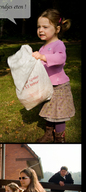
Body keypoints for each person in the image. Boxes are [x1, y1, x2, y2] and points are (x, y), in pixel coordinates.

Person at [33, 9, 74, 143]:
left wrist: (43, 57)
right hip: (47, 86)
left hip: (59, 87)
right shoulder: (43, 47)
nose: (41, 30)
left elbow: (60, 58)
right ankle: (49, 134)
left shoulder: (58, 44)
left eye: (45, 27)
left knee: (59, 115)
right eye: (39, 27)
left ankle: (59, 138)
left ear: (57, 29)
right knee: (48, 111)